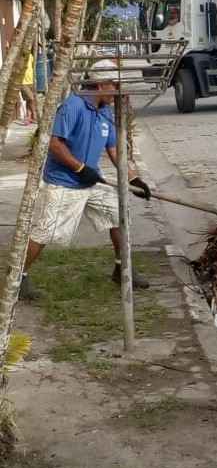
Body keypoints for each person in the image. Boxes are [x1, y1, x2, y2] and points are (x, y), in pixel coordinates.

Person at [19, 59, 152, 301]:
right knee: (45, 232)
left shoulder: (105, 112)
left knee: (119, 214)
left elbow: (115, 150)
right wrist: (80, 168)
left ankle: (122, 269)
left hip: (91, 182)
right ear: (101, 84)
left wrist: (134, 178)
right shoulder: (73, 106)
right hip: (64, 182)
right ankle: (19, 278)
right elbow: (54, 143)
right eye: (115, 84)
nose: (118, 90)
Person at [18, 50, 38, 126]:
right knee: (31, 98)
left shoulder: (30, 55)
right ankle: (34, 115)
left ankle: (28, 118)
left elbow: (32, 67)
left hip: (31, 81)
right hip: (23, 82)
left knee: (29, 101)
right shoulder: (20, 56)